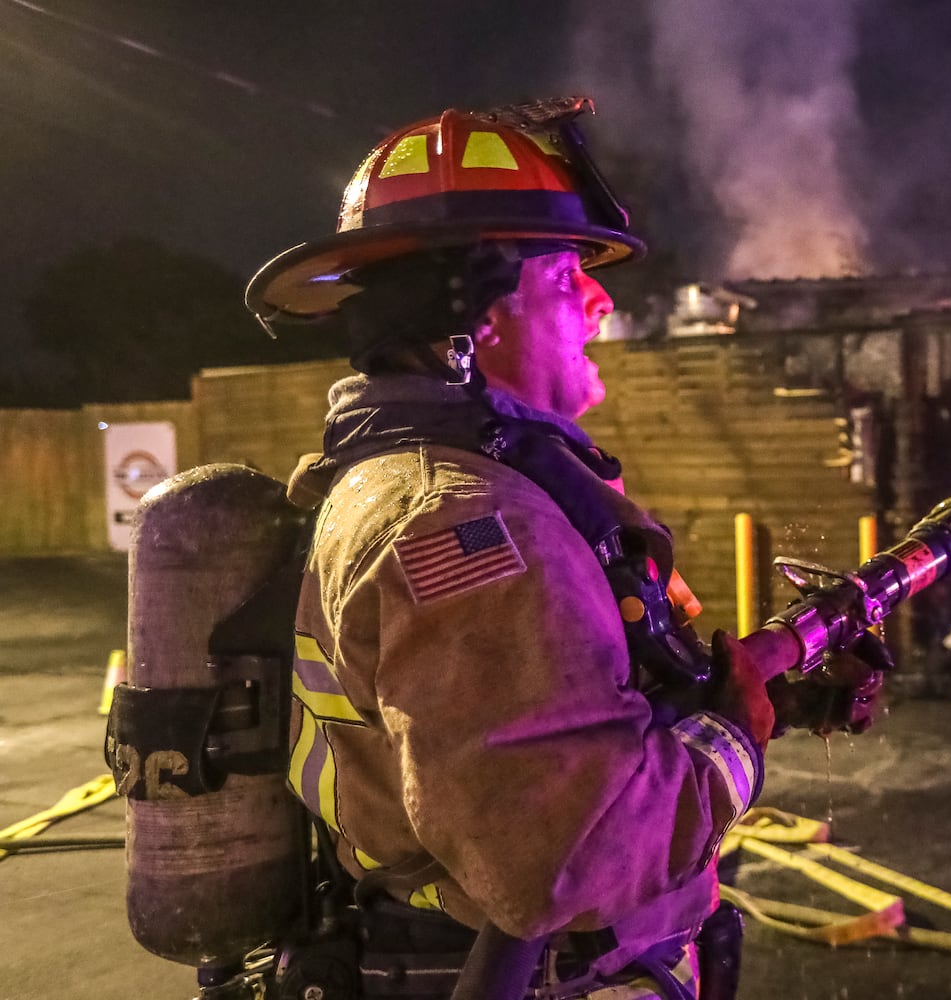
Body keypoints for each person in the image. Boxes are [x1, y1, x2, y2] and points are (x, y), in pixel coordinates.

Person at [244, 98, 881, 999]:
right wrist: (736, 736)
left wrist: (772, 679)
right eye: (565, 273)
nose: (598, 299)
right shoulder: (461, 524)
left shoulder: (472, 486)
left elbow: (586, 704)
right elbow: (565, 857)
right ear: (480, 315)